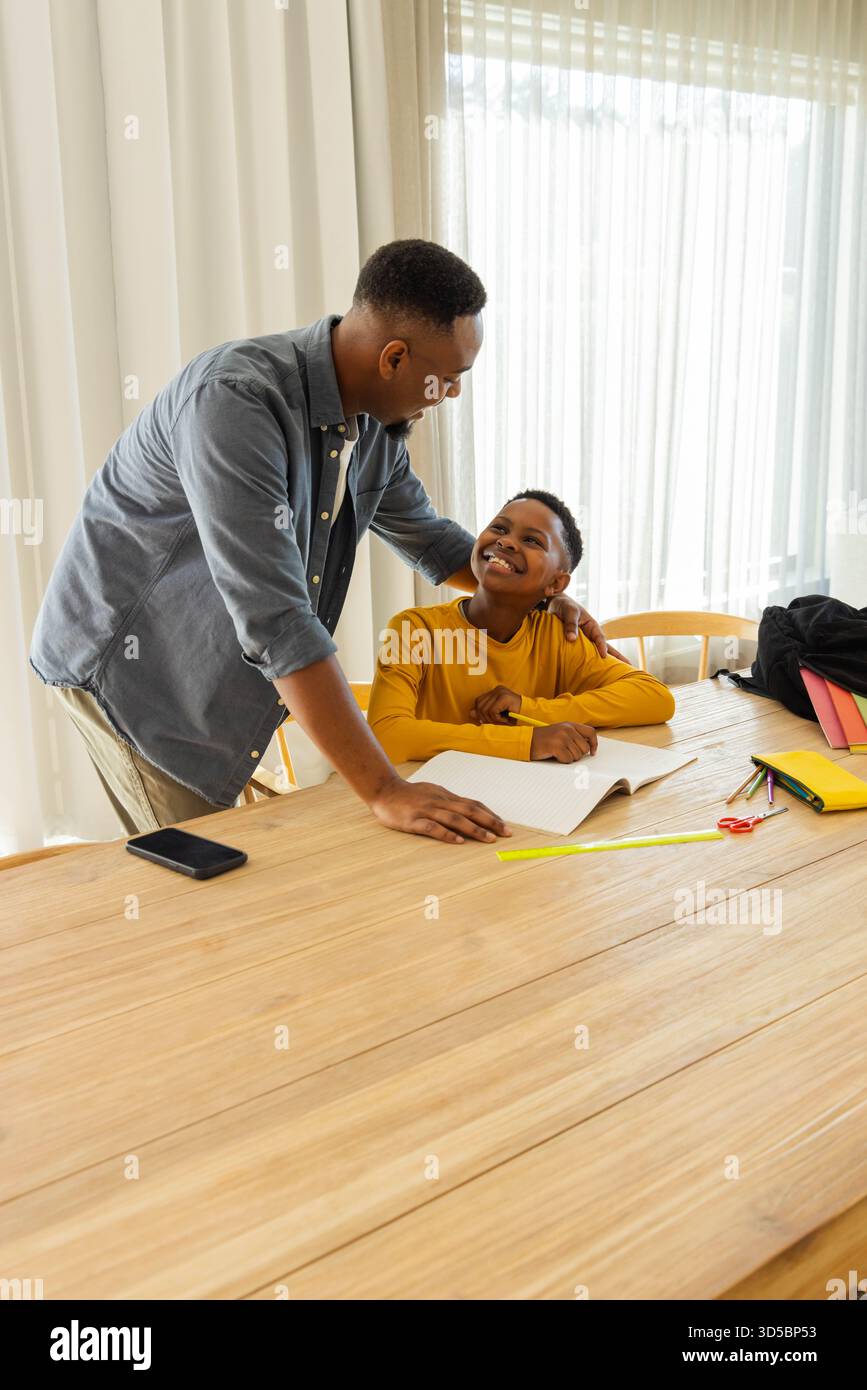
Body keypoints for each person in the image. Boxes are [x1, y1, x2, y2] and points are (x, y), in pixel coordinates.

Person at [30, 240, 608, 845]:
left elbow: (434, 543)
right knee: (205, 890)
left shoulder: (375, 428)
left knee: (246, 869)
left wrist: (539, 598)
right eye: (450, 379)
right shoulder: (235, 401)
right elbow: (276, 619)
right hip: (133, 668)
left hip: (206, 664)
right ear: (393, 359)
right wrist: (385, 790)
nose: (453, 395)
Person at [367, 489, 675, 763]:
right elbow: (388, 735)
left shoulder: (559, 635)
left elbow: (654, 698)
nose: (506, 541)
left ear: (557, 583)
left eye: (531, 540)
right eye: (499, 528)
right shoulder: (414, 630)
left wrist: (529, 710)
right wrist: (528, 741)